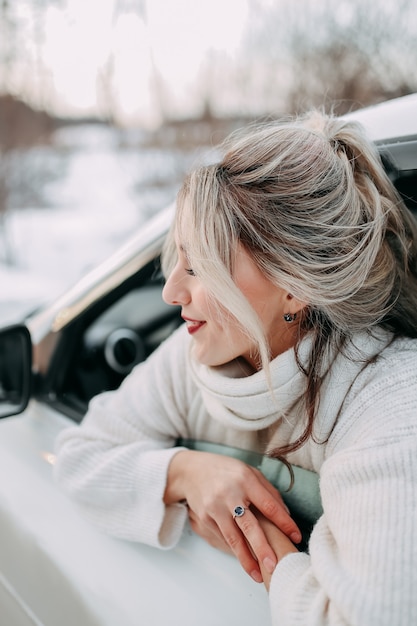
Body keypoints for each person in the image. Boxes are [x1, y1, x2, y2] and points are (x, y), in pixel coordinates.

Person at [54, 110, 417, 625]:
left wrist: (270, 552)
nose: (170, 292)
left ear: (294, 283)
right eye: (178, 258)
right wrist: (187, 474)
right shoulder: (192, 357)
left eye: (199, 265)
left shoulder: (390, 394)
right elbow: (78, 459)